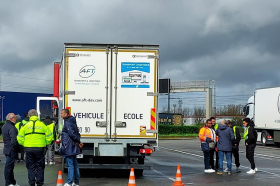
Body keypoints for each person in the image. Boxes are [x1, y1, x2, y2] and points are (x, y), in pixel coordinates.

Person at [17, 109, 52, 186]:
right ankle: (39, 183)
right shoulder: (43, 125)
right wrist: (46, 144)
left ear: (29, 116)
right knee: (40, 167)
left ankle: (32, 182)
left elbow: (19, 138)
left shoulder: (25, 126)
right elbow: (50, 137)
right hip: (40, 149)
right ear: (37, 115)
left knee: (30, 166)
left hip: (28, 148)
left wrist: (24, 144)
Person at [59, 109, 83, 186]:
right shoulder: (72, 121)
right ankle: (76, 182)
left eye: (62, 113)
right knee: (75, 164)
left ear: (66, 114)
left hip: (68, 146)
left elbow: (72, 134)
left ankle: (69, 182)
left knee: (70, 165)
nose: (61, 114)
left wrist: (77, 141)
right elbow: (76, 133)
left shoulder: (67, 123)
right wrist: (78, 141)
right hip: (72, 145)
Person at [2, 113, 20, 186]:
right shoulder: (12, 127)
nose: (16, 119)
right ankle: (9, 182)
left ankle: (12, 182)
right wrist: (18, 148)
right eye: (15, 117)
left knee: (10, 166)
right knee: (9, 167)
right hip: (11, 149)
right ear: (11, 118)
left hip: (6, 148)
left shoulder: (4, 126)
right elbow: (13, 140)